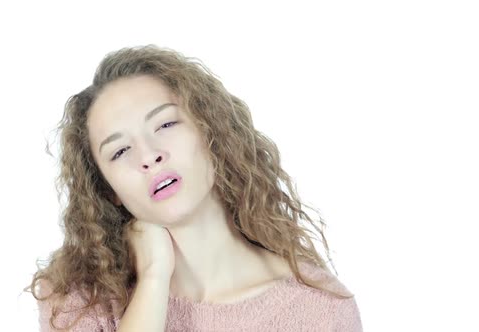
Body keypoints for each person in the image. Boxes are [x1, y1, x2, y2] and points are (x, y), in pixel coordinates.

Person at [26, 44, 363, 331]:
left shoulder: (320, 311)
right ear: (108, 189)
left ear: (212, 133)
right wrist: (153, 279)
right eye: (120, 151)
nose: (149, 156)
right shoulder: (78, 298)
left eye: (166, 124)